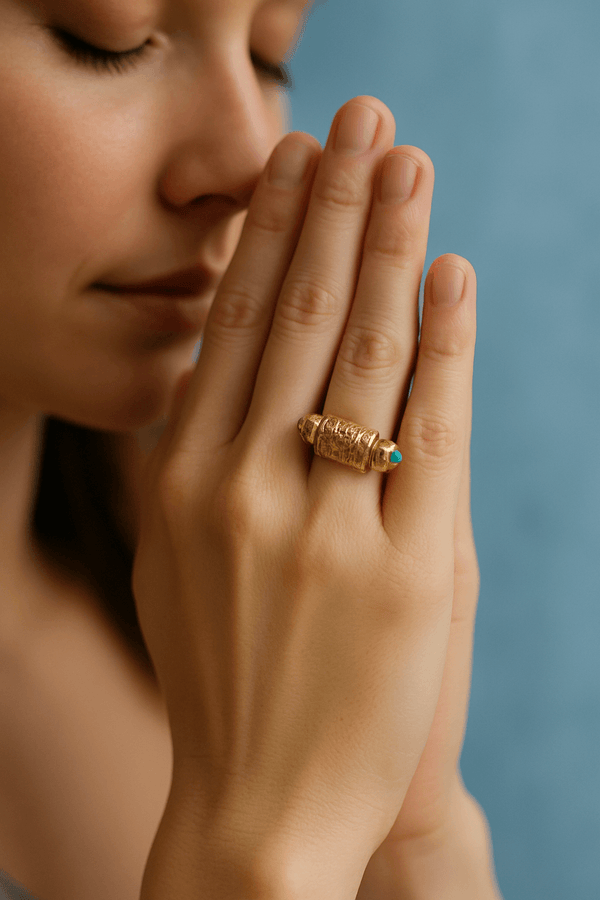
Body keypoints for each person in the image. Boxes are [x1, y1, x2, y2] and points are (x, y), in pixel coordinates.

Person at [0, 0, 503, 898]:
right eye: (107, 43)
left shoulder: (211, 577)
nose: (245, 160)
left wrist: (413, 834)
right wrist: (263, 850)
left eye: (271, 58)